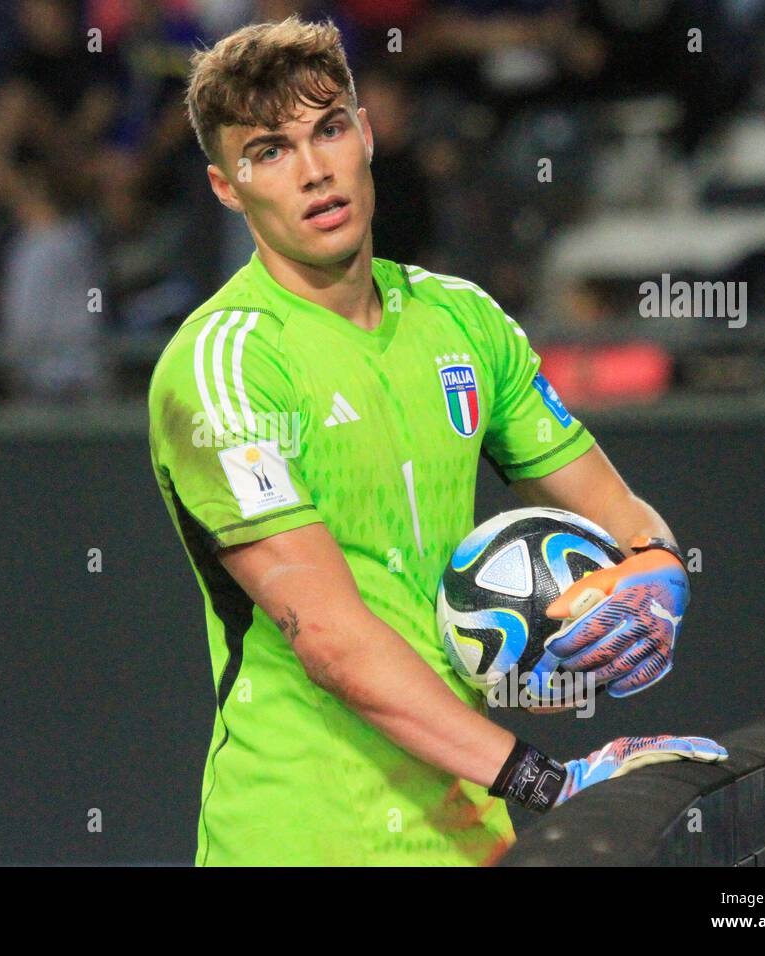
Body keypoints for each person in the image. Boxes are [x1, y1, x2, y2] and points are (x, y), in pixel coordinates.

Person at [146, 17, 725, 867]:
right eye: (269, 152)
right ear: (227, 188)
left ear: (368, 133)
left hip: (472, 835)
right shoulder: (221, 366)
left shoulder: (464, 319)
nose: (314, 171)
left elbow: (622, 516)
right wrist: (546, 782)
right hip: (301, 839)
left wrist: (656, 581)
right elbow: (332, 641)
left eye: (330, 129)